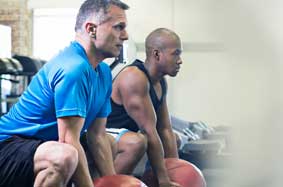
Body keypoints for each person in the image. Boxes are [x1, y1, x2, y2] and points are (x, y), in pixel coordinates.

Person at [0, 0, 129, 186]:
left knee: (109, 142)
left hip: (43, 146)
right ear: (91, 29)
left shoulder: (103, 72)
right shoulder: (73, 68)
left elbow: (97, 135)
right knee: (64, 156)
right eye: (119, 27)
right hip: (8, 146)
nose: (125, 35)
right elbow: (68, 141)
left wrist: (114, 182)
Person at [106, 28, 183, 187]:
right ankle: (104, 183)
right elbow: (149, 130)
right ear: (156, 54)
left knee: (174, 138)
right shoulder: (134, 77)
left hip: (125, 134)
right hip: (101, 133)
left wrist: (177, 173)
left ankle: (151, 181)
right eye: (175, 53)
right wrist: (164, 181)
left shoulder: (160, 82)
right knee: (137, 142)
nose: (180, 60)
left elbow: (165, 129)